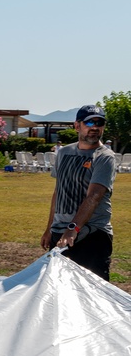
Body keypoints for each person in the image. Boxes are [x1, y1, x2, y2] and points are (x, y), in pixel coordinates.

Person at [40, 104, 117, 280]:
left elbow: (94, 196)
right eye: (90, 123)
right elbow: (58, 192)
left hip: (92, 235)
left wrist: (73, 229)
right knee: (56, 290)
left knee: (93, 293)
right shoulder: (64, 153)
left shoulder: (105, 157)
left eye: (100, 123)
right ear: (77, 126)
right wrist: (49, 229)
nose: (95, 128)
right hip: (61, 233)